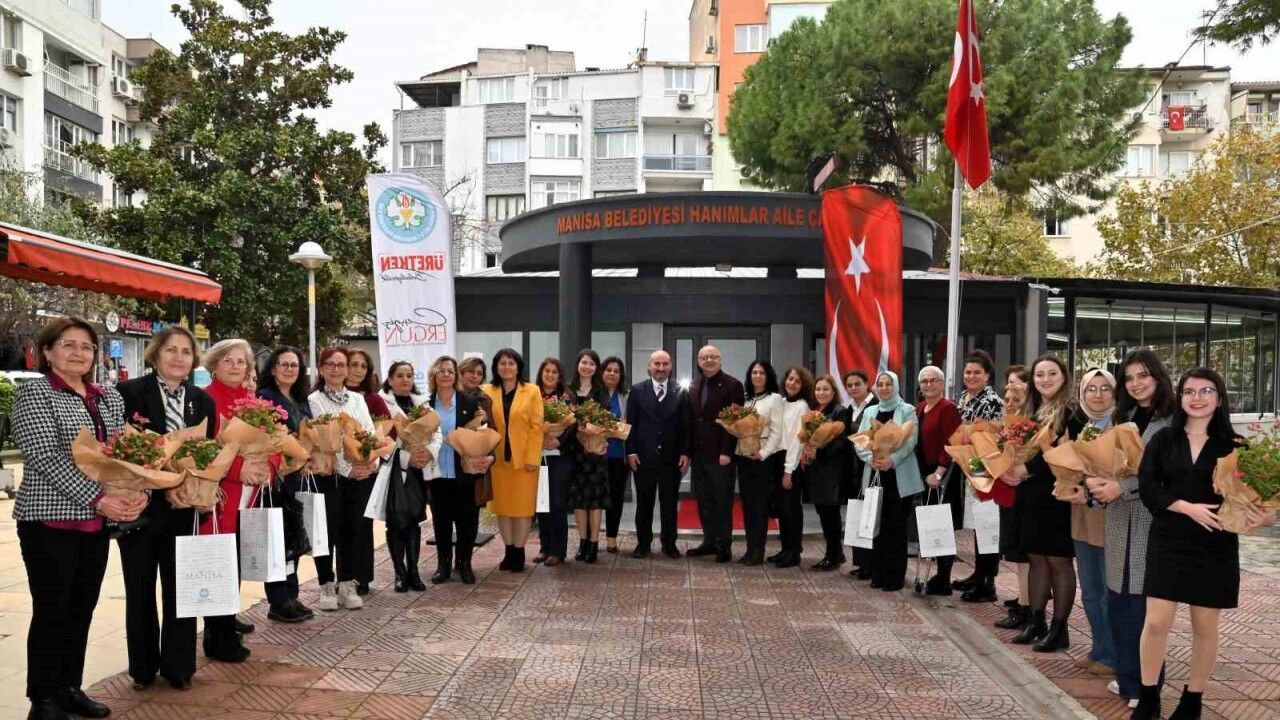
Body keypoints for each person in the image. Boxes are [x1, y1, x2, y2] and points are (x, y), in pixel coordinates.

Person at [13, 318, 142, 720]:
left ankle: (70, 688)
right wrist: (99, 499)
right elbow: (44, 456)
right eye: (68, 345)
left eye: (86, 346)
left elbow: (125, 454)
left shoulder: (108, 397)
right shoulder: (36, 393)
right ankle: (43, 700)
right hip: (49, 521)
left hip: (94, 525)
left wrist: (136, 491)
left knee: (82, 608)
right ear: (47, 352)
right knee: (52, 610)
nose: (78, 353)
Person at [1130, 368, 1273, 720]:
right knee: (1156, 622)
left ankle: (1192, 700)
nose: (1197, 398)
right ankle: (1148, 697)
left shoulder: (1237, 445)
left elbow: (1261, 500)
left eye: (1206, 391)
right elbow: (1148, 487)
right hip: (1168, 538)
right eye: (1189, 391)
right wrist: (1185, 507)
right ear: (1180, 398)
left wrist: (1261, 516)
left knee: (1205, 626)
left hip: (1214, 543)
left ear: (1219, 398)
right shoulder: (1163, 439)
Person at [115, 327, 218, 690]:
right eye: (171, 350)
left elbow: (209, 454)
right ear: (155, 354)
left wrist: (195, 489)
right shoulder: (128, 393)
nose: (178, 357)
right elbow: (120, 453)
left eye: (186, 352)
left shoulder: (202, 401)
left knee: (182, 591)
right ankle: (142, 669)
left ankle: (179, 667)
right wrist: (163, 488)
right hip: (139, 509)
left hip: (184, 510)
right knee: (140, 591)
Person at [1089, 350, 1175, 709]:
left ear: (1157, 377)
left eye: (1143, 375)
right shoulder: (1121, 417)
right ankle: (1127, 678)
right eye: (1129, 378)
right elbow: (1107, 461)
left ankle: (1147, 684)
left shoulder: (1171, 421)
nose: (1136, 383)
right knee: (1119, 604)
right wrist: (1093, 482)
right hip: (1118, 520)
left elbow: (1164, 474)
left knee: (1144, 609)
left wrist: (1121, 488)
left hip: (1150, 522)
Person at [200, 338, 268, 663]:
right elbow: (204, 451)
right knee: (219, 566)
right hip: (221, 499)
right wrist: (240, 469)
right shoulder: (205, 400)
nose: (235, 366)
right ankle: (218, 636)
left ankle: (228, 618)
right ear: (214, 365)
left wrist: (269, 466)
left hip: (248, 498)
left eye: (241, 361)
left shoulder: (252, 401)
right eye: (227, 360)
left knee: (235, 563)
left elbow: (274, 441)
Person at [1003, 355, 1077, 652]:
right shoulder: (1030, 411)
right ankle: (1036, 622)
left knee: (1058, 561)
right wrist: (1009, 468)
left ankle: (1060, 629)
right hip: (1030, 494)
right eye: (1040, 375)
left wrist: (1027, 468)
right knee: (1035, 559)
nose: (1045, 379)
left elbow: (1070, 454)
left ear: (1064, 377)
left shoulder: (1071, 412)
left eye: (1052, 374)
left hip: (1056, 494)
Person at [308, 346, 380, 611]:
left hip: (360, 476)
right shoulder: (314, 400)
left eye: (341, 365)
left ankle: (347, 583)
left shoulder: (357, 399)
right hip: (329, 477)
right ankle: (326, 584)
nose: (336, 369)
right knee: (327, 532)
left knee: (353, 530)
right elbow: (326, 442)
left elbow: (369, 433)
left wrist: (370, 462)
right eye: (331, 364)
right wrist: (347, 469)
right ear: (321, 368)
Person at [1063, 368, 1118, 677]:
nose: (1098, 395)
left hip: (1111, 517)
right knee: (1091, 590)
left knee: (1110, 592)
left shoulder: (1122, 428)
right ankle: (1099, 648)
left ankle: (1113, 655)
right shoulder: (1083, 427)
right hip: (1082, 515)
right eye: (1091, 389)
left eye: (1105, 388)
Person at [255, 347, 315, 622]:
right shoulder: (265, 398)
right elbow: (265, 437)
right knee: (278, 541)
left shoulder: (301, 400)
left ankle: (292, 594)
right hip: (276, 481)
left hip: (297, 479)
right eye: (284, 364)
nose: (290, 369)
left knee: (293, 538)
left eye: (294, 365)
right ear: (273, 368)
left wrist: (308, 458)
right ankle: (278, 600)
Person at [853, 371, 922, 591]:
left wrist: (892, 460)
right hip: (875, 474)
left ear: (896, 386)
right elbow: (860, 441)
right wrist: (870, 459)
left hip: (899, 477)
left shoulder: (907, 410)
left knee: (896, 528)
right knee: (877, 526)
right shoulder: (870, 411)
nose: (884, 388)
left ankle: (895, 577)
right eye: (880, 384)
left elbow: (911, 441)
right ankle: (879, 572)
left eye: (888, 384)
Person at [421, 357, 483, 584]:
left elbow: (482, 434)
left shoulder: (470, 403)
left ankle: (465, 563)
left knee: (468, 522)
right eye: (441, 371)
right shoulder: (425, 405)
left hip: (464, 473)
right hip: (437, 474)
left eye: (450, 371)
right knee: (441, 522)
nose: (446, 374)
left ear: (456, 376)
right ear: (434, 375)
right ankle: (443, 565)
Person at [377, 361, 437, 591]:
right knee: (396, 521)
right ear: (390, 379)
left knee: (414, 520)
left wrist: (428, 453)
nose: (405, 380)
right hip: (394, 469)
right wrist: (405, 457)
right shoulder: (382, 403)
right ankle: (399, 572)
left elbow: (436, 433)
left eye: (409, 375)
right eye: (400, 375)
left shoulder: (422, 403)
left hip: (419, 469)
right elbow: (380, 438)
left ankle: (414, 571)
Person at [951, 350, 1005, 602]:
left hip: (986, 470)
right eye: (968, 372)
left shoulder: (993, 401)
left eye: (977, 372)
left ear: (987, 375)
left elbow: (994, 439)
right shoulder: (964, 398)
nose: (971, 376)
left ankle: (988, 582)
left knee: (987, 525)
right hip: (969, 468)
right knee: (977, 525)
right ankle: (978, 572)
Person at [484, 348, 544, 573]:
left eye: (511, 363)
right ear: (496, 367)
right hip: (497, 460)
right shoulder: (486, 391)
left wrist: (532, 457)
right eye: (502, 363)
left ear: (518, 367)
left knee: (523, 509)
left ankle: (519, 552)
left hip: (524, 460)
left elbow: (537, 427)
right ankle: (508, 551)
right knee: (503, 508)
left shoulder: (532, 391)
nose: (507, 367)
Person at [625, 351, 690, 558]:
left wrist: (686, 453)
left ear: (671, 366)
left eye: (665, 364)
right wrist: (631, 452)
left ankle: (669, 544)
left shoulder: (681, 391)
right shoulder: (637, 391)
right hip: (643, 458)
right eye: (657, 364)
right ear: (649, 366)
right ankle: (643, 544)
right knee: (644, 503)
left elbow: (686, 426)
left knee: (669, 504)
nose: (661, 368)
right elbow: (630, 425)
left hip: (672, 459)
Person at [687, 345, 745, 562]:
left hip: (721, 454)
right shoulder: (694, 384)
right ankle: (709, 541)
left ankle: (723, 545)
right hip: (699, 454)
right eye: (704, 357)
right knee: (703, 500)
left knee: (722, 500)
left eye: (713, 357)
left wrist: (727, 451)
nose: (708, 360)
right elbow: (692, 420)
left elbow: (735, 421)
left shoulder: (733, 385)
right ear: (698, 361)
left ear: (720, 360)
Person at [914, 365, 962, 594]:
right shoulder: (920, 408)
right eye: (924, 381)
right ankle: (933, 575)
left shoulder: (948, 408)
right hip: (925, 473)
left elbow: (952, 442)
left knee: (942, 525)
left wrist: (939, 473)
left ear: (942, 384)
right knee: (929, 525)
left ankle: (944, 578)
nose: (929, 384)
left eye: (933, 380)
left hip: (942, 473)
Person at [994, 364, 1035, 630]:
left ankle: (1028, 607)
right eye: (1006, 398)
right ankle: (1024, 602)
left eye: (1015, 399)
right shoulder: (1007, 426)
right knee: (1018, 558)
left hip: (1026, 498)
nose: (1009, 403)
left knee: (1025, 557)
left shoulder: (1030, 428)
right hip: (1009, 497)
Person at [344, 348, 388, 596]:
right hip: (340, 472)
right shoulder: (332, 396)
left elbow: (387, 434)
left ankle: (362, 577)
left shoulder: (373, 399)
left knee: (362, 526)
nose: (358, 370)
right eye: (354, 364)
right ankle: (343, 576)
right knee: (341, 528)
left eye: (363, 366)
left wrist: (371, 460)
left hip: (366, 472)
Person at [736, 360, 784, 566]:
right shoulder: (746, 400)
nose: (757, 376)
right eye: (754, 372)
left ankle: (758, 550)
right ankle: (750, 548)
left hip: (763, 459)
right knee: (747, 506)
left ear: (768, 376)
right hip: (744, 458)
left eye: (761, 373)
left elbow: (777, 431)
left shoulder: (775, 399)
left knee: (760, 506)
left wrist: (763, 453)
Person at [804, 375, 853, 570]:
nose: (821, 393)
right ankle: (836, 553)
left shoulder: (840, 411)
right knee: (823, 513)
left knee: (830, 514)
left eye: (825, 389)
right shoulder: (815, 411)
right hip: (817, 470)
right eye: (818, 389)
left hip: (832, 471)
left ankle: (832, 556)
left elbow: (842, 442)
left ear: (833, 392)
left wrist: (819, 450)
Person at [567, 349, 611, 563]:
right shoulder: (568, 390)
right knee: (579, 499)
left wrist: (594, 436)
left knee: (595, 500)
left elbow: (605, 420)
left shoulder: (601, 390)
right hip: (574, 452)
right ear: (578, 364)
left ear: (596, 368)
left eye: (592, 364)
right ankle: (582, 541)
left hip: (595, 452)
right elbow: (565, 418)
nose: (587, 367)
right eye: (584, 362)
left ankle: (594, 543)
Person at [774, 367, 816, 568]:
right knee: (782, 509)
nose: (792, 383)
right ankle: (785, 548)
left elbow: (796, 441)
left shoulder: (802, 406)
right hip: (777, 458)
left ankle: (794, 551)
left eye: (797, 381)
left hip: (791, 461)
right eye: (790, 379)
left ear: (803, 386)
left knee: (791, 509)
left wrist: (788, 471)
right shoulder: (781, 402)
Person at [533, 357, 573, 566]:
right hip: (537, 456)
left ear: (560, 377)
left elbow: (573, 427)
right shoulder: (532, 395)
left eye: (554, 372)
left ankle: (558, 551)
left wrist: (558, 440)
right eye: (546, 371)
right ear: (541, 373)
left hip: (559, 458)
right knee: (541, 504)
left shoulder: (567, 398)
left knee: (557, 504)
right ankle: (545, 547)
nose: (550, 375)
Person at [844, 370, 877, 579]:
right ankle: (861, 562)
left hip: (869, 468)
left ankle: (870, 564)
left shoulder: (874, 406)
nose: (853, 388)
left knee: (869, 516)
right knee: (857, 515)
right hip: (853, 470)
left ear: (867, 384)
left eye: (857, 384)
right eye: (850, 385)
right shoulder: (850, 408)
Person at [600, 357, 630, 554]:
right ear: (602, 372)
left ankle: (611, 539)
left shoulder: (627, 396)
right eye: (608, 370)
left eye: (616, 371)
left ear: (621, 376)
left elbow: (630, 425)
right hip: (596, 456)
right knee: (594, 499)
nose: (612, 373)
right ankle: (591, 539)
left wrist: (620, 426)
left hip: (619, 456)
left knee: (615, 499)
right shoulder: (594, 395)